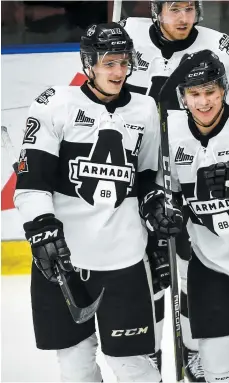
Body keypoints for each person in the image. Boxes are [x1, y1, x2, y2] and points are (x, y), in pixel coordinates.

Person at [13, 22, 182, 382]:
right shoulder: (56, 103)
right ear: (88, 64)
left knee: (135, 368)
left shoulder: (145, 109)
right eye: (109, 63)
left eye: (124, 62)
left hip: (124, 261)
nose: (119, 72)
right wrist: (42, 228)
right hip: (65, 262)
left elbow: (149, 177)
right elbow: (31, 182)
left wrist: (154, 205)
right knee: (76, 369)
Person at [118, 2, 229, 379]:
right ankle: (150, 355)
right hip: (137, 173)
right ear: (157, 9)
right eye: (174, 8)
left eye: (190, 8)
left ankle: (192, 350)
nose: (183, 18)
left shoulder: (222, 48)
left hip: (186, 168)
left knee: (189, 269)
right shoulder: (126, 37)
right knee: (150, 277)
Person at [160, 50, 229, 382]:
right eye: (194, 94)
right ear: (183, 97)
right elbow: (166, 193)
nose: (203, 102)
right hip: (211, 266)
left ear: (224, 90)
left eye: (210, 91)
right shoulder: (171, 132)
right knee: (219, 370)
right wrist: (166, 213)